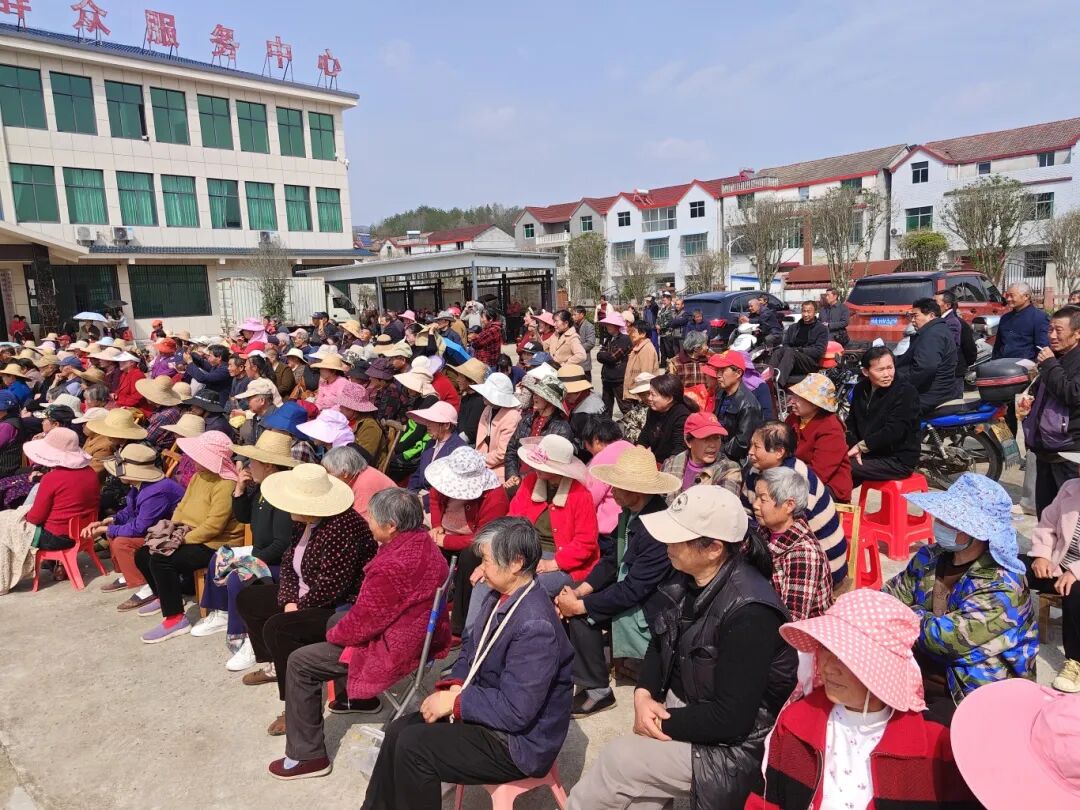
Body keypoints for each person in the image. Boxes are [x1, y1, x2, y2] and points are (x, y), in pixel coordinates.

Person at [566, 485, 797, 810]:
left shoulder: (751, 612)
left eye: (676, 538)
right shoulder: (685, 579)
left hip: (735, 748)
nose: (667, 544)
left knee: (619, 760)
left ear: (714, 548)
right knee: (639, 798)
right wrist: (643, 694)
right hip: (690, 710)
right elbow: (660, 643)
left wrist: (659, 721)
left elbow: (732, 719)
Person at [361, 517, 573, 809]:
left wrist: (455, 702)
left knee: (415, 749)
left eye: (486, 560)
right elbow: (470, 651)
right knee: (398, 731)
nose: (481, 568)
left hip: (517, 743)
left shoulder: (536, 625)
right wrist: (457, 685)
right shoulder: (498, 596)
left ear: (516, 563)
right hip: (489, 712)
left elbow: (517, 711)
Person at [264, 486, 449, 780]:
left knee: (300, 662)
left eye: (372, 517)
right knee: (334, 619)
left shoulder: (391, 566)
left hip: (395, 647)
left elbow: (361, 625)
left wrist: (333, 636)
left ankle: (307, 756)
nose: (368, 521)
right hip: (419, 635)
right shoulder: (423, 543)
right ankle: (354, 698)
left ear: (391, 526)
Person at [747, 590, 978, 810]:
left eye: (844, 657)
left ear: (883, 668)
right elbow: (766, 801)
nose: (828, 667)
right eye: (825, 648)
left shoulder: (935, 745)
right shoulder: (796, 723)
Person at [234, 463, 377, 735]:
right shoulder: (304, 522)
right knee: (249, 600)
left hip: (339, 607)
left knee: (279, 628)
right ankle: (279, 665)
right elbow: (289, 562)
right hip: (305, 593)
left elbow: (333, 586)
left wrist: (298, 607)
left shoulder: (342, 528)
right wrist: (289, 600)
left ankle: (295, 706)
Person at [882, 473, 1038, 705]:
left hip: (975, 690)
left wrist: (906, 615)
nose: (940, 524)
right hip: (920, 666)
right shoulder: (929, 557)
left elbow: (947, 640)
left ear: (978, 532)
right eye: (942, 517)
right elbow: (889, 596)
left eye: (952, 521)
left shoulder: (1003, 585)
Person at [557, 446, 678, 716]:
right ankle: (581, 671)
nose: (612, 491)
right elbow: (612, 559)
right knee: (571, 600)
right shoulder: (630, 514)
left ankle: (598, 690)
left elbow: (633, 590)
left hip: (652, 607)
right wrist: (581, 591)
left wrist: (581, 605)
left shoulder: (657, 528)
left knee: (581, 615)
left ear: (636, 491)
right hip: (632, 589)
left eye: (618, 486)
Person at [188, 431, 298, 667]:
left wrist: (250, 558)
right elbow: (244, 516)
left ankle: (246, 637)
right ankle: (222, 612)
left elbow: (282, 544)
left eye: (253, 461)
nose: (248, 466)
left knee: (239, 573)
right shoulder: (262, 488)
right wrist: (239, 490)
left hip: (281, 564)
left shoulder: (282, 494)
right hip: (263, 553)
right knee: (221, 555)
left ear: (268, 465)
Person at [132, 431, 245, 643]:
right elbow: (181, 507)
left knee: (162, 559)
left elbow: (214, 526)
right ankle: (165, 597)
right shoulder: (198, 476)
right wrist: (172, 530)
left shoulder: (226, 484)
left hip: (216, 544)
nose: (193, 459)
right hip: (189, 533)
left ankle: (175, 619)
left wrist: (181, 540)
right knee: (143, 553)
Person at [745, 421, 848, 587]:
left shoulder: (798, 481)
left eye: (756, 447)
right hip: (778, 548)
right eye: (751, 445)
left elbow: (794, 537)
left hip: (823, 564)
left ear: (779, 452)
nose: (750, 452)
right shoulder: (756, 471)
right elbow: (746, 512)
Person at [426, 446, 509, 638]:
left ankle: (458, 624)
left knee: (469, 556)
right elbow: (435, 496)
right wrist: (437, 526)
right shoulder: (443, 483)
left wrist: (446, 540)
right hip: (445, 531)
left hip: (474, 541)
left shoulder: (494, 496)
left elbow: (484, 535)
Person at [90, 444, 185, 603]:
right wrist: (112, 520)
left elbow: (140, 528)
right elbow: (131, 509)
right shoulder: (140, 485)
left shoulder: (155, 492)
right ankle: (130, 574)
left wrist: (106, 529)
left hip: (171, 533)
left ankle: (149, 584)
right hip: (156, 527)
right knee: (114, 532)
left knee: (122, 542)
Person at [1025, 450, 1080, 692]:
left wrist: (1075, 571)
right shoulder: (1070, 488)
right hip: (1058, 565)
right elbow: (1047, 525)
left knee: (1075, 592)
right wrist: (1042, 555)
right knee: (1010, 566)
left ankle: (1075, 660)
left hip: (1075, 576)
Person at [752, 466, 832, 621]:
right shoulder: (765, 530)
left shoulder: (804, 553)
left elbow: (793, 619)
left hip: (797, 631)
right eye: (756, 497)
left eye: (762, 499)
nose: (755, 504)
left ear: (789, 505)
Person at [1024, 305, 1080, 517]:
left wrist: (1049, 364)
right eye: (1050, 330)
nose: (1053, 336)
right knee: (1046, 513)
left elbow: (1072, 394)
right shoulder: (1055, 356)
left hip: (1069, 451)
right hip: (1045, 448)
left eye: (1059, 330)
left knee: (1068, 517)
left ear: (1077, 333)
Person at [844, 346, 921, 485]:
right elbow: (852, 421)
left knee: (843, 468)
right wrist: (852, 446)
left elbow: (895, 430)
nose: (887, 374)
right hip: (868, 453)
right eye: (880, 370)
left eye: (890, 368)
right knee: (829, 462)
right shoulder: (861, 388)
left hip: (896, 460)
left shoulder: (905, 392)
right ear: (865, 371)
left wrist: (861, 447)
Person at [23, 427, 99, 553]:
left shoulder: (51, 478)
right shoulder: (91, 472)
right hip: (85, 533)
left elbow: (35, 518)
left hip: (56, 538)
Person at [785, 373, 852, 503]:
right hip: (795, 475)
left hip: (827, 486)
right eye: (794, 396)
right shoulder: (793, 418)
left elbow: (820, 473)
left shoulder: (831, 428)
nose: (792, 401)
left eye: (799, 398)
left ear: (815, 403)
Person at [502, 375, 574, 492]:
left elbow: (553, 466)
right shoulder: (527, 419)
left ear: (550, 401)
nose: (534, 396)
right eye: (535, 393)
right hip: (518, 478)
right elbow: (512, 450)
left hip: (542, 486)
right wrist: (512, 475)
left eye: (539, 394)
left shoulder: (562, 429)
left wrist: (522, 479)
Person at [895, 297, 957, 415]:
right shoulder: (935, 330)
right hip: (933, 392)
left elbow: (925, 367)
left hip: (930, 395)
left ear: (931, 315)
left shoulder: (933, 334)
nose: (912, 320)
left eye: (916, 316)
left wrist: (900, 386)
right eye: (911, 316)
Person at [660, 411, 741, 497]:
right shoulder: (670, 464)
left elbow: (726, 503)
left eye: (716, 438)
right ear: (688, 441)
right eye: (706, 438)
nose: (712, 445)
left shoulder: (728, 469)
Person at [581, 417, 634, 537]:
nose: (587, 448)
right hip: (632, 522)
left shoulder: (601, 459)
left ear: (596, 440)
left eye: (586, 443)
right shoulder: (630, 447)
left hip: (609, 529)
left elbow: (589, 499)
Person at [709, 351, 762, 462]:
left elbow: (742, 444)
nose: (718, 375)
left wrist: (715, 451)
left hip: (733, 461)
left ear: (738, 373)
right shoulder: (721, 393)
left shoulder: (748, 405)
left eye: (722, 370)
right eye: (717, 370)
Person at [471, 372, 522, 482]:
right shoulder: (488, 409)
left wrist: (479, 461)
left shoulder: (512, 416)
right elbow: (481, 441)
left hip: (500, 470)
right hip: (482, 461)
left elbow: (502, 453)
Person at [405, 400, 464, 493]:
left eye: (432, 421)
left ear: (446, 425)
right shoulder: (431, 443)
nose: (427, 425)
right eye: (427, 421)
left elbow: (452, 486)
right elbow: (418, 474)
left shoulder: (460, 449)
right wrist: (412, 494)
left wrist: (426, 498)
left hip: (438, 499)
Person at [637, 373, 696, 464]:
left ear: (669, 398)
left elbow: (679, 451)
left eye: (653, 395)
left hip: (672, 464)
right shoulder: (653, 411)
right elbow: (644, 437)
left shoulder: (682, 416)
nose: (649, 398)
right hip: (655, 462)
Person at [772, 301, 829, 388]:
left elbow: (819, 351)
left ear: (815, 312)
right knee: (778, 352)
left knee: (791, 353)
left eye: (809, 312)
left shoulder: (821, 329)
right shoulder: (793, 327)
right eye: (804, 311)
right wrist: (788, 350)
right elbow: (786, 344)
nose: (805, 314)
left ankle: (777, 386)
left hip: (809, 361)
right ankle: (767, 380)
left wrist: (800, 350)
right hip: (791, 356)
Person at [936, 289, 978, 398]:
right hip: (940, 374)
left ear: (947, 305)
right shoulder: (936, 322)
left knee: (952, 404)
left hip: (954, 374)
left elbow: (970, 349)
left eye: (935, 303)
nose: (931, 306)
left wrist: (961, 367)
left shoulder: (956, 323)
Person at [559, 363, 605, 446]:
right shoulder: (592, 395)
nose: (565, 397)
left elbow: (587, 444)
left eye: (569, 393)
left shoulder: (584, 414)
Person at [597, 311, 631, 417]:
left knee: (625, 406)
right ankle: (607, 426)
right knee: (606, 407)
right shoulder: (609, 338)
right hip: (607, 377)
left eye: (610, 324)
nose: (607, 326)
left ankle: (633, 425)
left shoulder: (625, 339)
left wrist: (604, 355)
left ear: (616, 326)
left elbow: (613, 357)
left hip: (618, 379)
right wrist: (604, 355)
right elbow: (599, 355)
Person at [447, 359, 487, 445]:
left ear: (471, 381)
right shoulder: (465, 398)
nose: (457, 380)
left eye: (460, 377)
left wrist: (452, 445)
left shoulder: (479, 401)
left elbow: (470, 433)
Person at [623, 321, 659, 407]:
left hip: (641, 394)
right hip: (637, 391)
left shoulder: (647, 349)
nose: (631, 334)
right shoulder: (638, 347)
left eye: (634, 331)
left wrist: (643, 397)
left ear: (643, 334)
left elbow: (646, 375)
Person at [571, 306, 596, 379]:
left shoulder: (589, 326)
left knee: (586, 383)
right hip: (574, 362)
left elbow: (590, 343)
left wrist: (577, 348)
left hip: (584, 362)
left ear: (582, 315)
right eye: (572, 315)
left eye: (574, 314)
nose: (573, 317)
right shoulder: (572, 326)